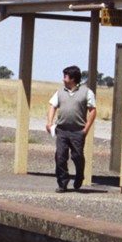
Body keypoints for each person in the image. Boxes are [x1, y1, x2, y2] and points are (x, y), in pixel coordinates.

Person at [46, 65, 96, 193]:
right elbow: (52, 106)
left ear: (72, 78)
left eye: (65, 76)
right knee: (60, 157)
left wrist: (86, 130)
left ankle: (79, 175)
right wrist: (49, 123)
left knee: (77, 156)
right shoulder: (60, 92)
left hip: (78, 131)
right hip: (62, 130)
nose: (63, 79)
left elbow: (92, 111)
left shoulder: (87, 92)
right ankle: (62, 183)